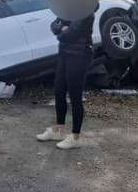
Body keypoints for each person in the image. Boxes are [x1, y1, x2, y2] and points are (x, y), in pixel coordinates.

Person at [37, 10, 96, 149]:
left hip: (79, 55)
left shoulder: (86, 11)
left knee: (75, 96)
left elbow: (70, 34)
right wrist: (61, 29)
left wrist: (62, 31)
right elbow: (54, 25)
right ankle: (58, 130)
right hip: (64, 53)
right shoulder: (69, 8)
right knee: (59, 90)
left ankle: (76, 137)